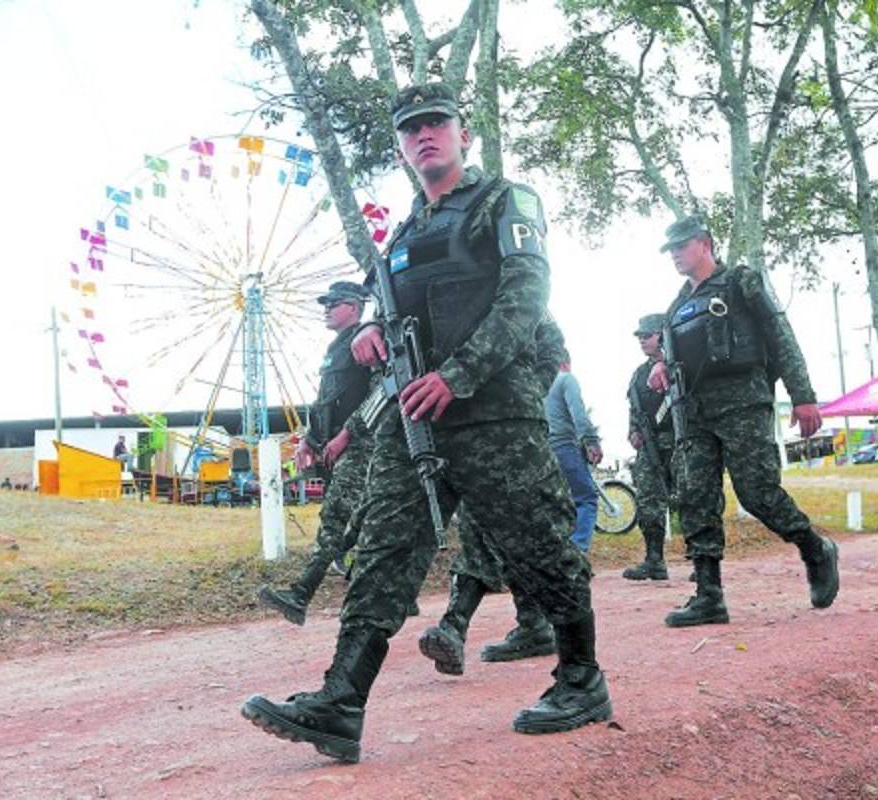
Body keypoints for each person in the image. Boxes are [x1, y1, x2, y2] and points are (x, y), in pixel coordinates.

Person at [241, 82, 611, 763]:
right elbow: (395, 311)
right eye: (411, 130)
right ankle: (341, 701)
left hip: (495, 415)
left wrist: (460, 375)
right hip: (414, 419)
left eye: (437, 123)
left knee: (538, 546)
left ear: (463, 134)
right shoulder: (405, 234)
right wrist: (371, 330)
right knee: (384, 552)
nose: (425, 136)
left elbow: (526, 298)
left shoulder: (504, 201)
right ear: (401, 149)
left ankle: (582, 680)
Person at [649, 216, 839, 627]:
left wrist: (803, 396)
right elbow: (677, 351)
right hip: (694, 412)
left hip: (744, 403)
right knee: (695, 497)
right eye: (670, 250)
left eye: (681, 247)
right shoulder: (676, 307)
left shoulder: (740, 282)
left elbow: (779, 334)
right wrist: (661, 365)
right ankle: (709, 596)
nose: (674, 256)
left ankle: (815, 549)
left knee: (757, 492)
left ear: (704, 243)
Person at [419, 313, 567, 675]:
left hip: (511, 439)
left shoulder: (527, 312)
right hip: (468, 438)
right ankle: (513, 625)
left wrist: (515, 400)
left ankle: (464, 625)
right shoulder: (466, 308)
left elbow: (549, 357)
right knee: (483, 533)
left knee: (514, 535)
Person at [257, 281, 374, 626]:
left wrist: (346, 434)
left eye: (333, 303)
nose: (326, 309)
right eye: (325, 303)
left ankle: (300, 595)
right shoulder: (336, 347)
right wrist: (309, 438)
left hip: (359, 445)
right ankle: (383, 588)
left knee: (336, 517)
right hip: (332, 446)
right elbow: (325, 399)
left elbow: (377, 397)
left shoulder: (366, 340)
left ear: (353, 307)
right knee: (362, 516)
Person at [623, 314, 676, 581]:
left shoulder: (680, 365)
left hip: (681, 441)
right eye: (640, 337)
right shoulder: (639, 374)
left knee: (694, 499)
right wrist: (633, 431)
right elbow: (635, 408)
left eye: (647, 335)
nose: (642, 340)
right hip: (651, 445)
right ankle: (654, 560)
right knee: (648, 501)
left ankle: (703, 560)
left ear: (662, 335)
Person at [543, 358, 604, 552]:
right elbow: (578, 412)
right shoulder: (566, 378)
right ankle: (577, 552)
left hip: (542, 450)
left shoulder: (538, 383)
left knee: (555, 503)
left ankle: (555, 553)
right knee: (586, 499)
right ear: (565, 363)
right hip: (564, 446)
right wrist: (591, 441)